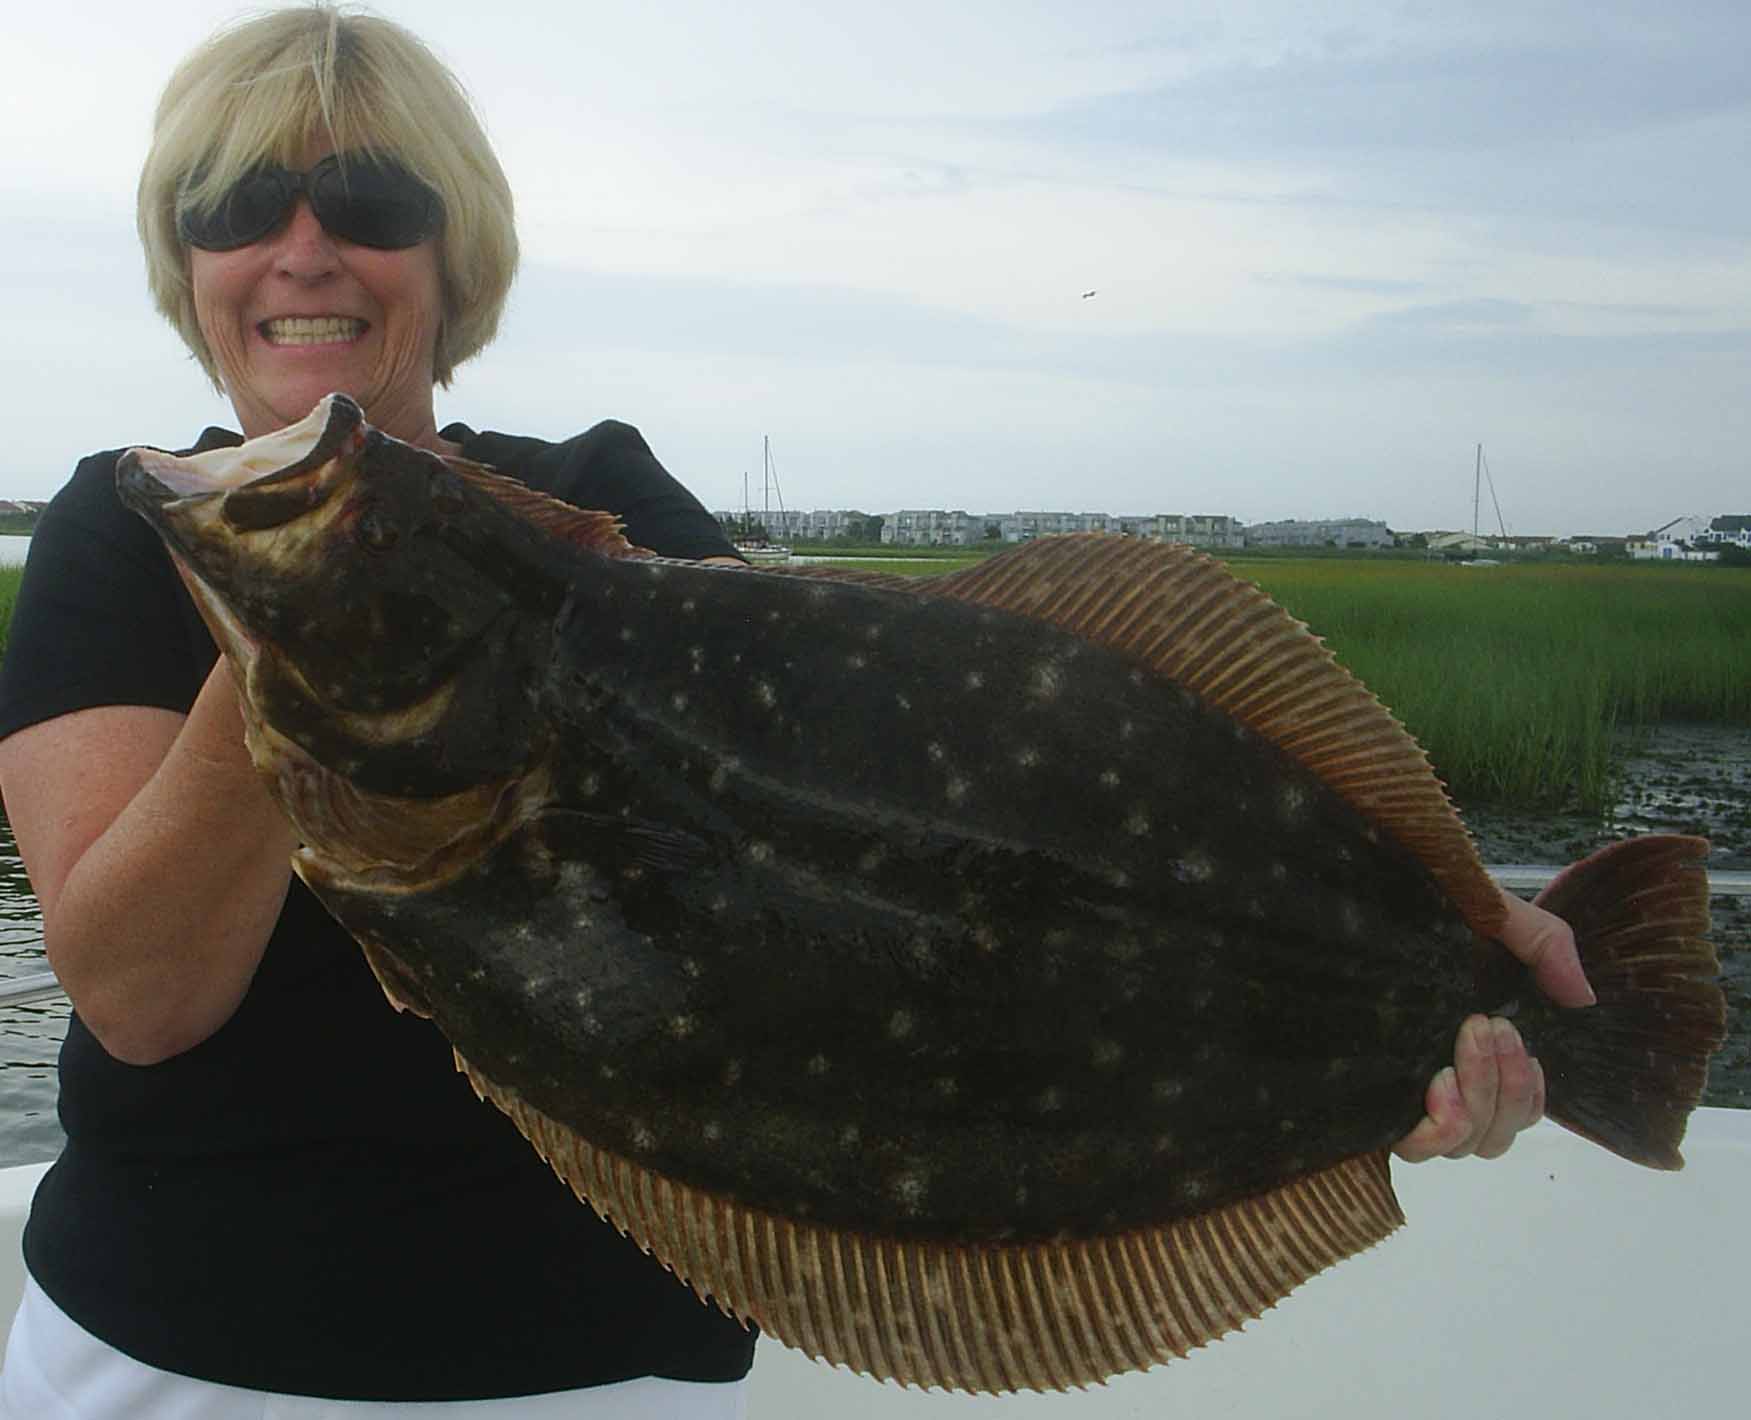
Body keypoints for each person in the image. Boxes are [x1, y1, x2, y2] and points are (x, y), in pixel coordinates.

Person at [0, 6, 1586, 1415]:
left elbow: (960, 785)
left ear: (450, 249)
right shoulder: (118, 533)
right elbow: (140, 1000)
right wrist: (298, 632)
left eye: (369, 201)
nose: (301, 248)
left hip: (600, 1371)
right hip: (166, 1359)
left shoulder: (603, 521)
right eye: (233, 206)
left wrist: (1449, 955)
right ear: (183, 257)